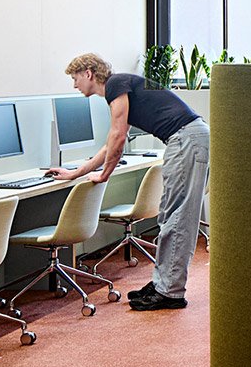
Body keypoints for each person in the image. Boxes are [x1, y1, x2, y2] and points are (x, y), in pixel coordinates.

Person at [51, 53, 208, 311]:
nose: (74, 84)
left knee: (178, 218)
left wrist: (104, 175)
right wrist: (76, 173)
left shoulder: (115, 85)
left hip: (186, 140)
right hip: (187, 138)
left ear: (89, 73)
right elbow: (110, 143)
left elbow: (118, 136)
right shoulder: (120, 85)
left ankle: (170, 291)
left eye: (75, 77)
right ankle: (163, 284)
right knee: (171, 215)